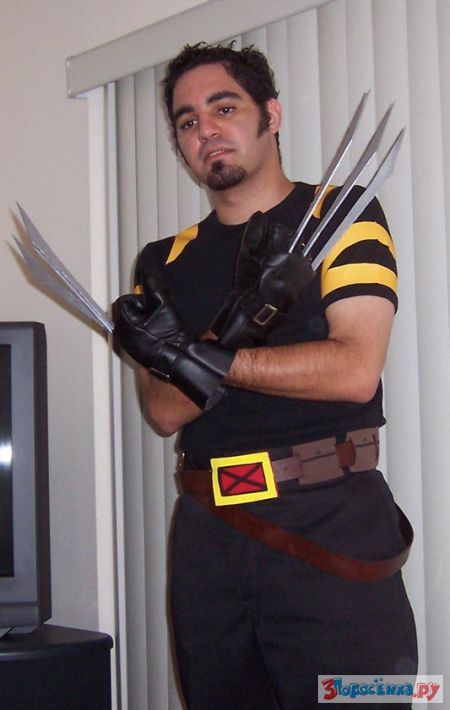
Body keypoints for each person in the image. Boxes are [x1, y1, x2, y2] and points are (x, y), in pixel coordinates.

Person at [113, 42, 417, 709]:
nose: (205, 129)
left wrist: (205, 358)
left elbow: (354, 370)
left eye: (224, 108)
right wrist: (230, 330)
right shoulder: (162, 262)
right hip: (209, 535)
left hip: (332, 520)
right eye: (187, 121)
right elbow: (163, 410)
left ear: (270, 115)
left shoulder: (342, 216)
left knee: (368, 701)